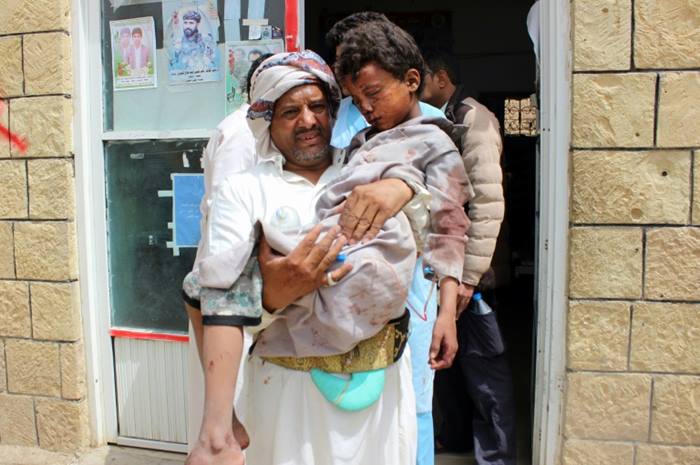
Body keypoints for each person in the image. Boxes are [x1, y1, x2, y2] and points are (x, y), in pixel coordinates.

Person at [187, 50, 423, 465]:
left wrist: (401, 188)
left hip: (383, 384)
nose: (308, 121)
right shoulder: (243, 190)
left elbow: (437, 214)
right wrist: (273, 295)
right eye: (290, 112)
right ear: (266, 122)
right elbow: (212, 300)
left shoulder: (370, 168)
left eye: (317, 106)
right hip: (289, 393)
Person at [326, 13, 459, 465]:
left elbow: (450, 228)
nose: (366, 105)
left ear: (412, 80)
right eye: (357, 99)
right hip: (359, 287)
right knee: (368, 398)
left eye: (374, 94)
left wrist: (447, 313)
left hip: (416, 296)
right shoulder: (362, 140)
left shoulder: (435, 139)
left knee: (414, 401)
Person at [421, 49, 515, 465]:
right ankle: (456, 439)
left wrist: (470, 277)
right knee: (451, 369)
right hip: (450, 271)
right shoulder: (444, 117)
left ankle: (497, 456)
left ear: (440, 78)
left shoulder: (473, 118)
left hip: (474, 275)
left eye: (418, 80)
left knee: (485, 372)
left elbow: (488, 203)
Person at [181, 53, 272, 453]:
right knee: (229, 409)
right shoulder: (241, 133)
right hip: (229, 287)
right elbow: (227, 213)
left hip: (241, 286)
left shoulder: (252, 128)